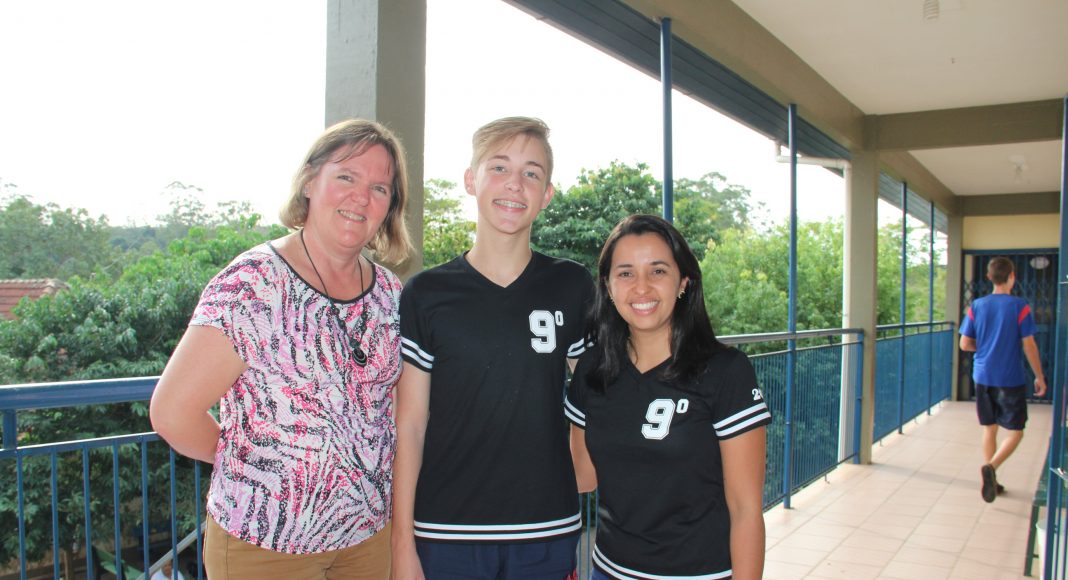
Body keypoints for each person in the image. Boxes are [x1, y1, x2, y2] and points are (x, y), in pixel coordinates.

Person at [149, 118, 413, 579]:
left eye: (379, 188)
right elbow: (172, 412)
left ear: (389, 206)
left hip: (367, 539)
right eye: (346, 177)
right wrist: (254, 465)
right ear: (310, 182)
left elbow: (393, 411)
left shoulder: (390, 295)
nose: (361, 197)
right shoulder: (253, 283)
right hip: (267, 544)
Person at [391, 117, 594, 579]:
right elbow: (411, 424)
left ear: (547, 194)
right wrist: (402, 543)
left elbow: (600, 394)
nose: (515, 184)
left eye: (531, 173)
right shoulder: (426, 293)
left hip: (547, 528)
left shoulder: (571, 284)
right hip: (445, 531)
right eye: (499, 167)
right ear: (471, 180)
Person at [567, 214, 771, 580]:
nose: (641, 287)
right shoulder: (592, 369)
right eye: (625, 273)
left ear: (684, 282)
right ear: (608, 286)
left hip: (700, 574)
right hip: (610, 570)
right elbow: (583, 476)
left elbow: (745, 509)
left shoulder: (725, 371)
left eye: (658, 271)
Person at [959, 256, 1046, 503]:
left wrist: (986, 347)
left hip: (982, 376)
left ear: (989, 277)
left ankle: (991, 481)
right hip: (1009, 378)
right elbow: (1029, 345)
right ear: (1012, 277)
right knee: (1016, 431)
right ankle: (991, 468)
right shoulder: (1020, 306)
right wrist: (1039, 376)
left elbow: (964, 344)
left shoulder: (977, 306)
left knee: (990, 428)